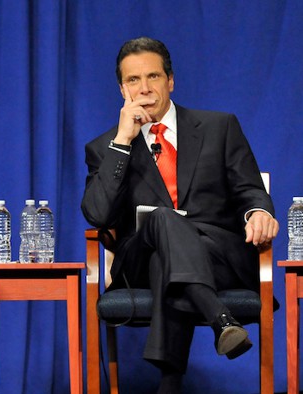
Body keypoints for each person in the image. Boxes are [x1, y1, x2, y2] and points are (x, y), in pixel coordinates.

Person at [81, 37, 278, 393]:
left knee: (166, 260)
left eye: (153, 77)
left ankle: (169, 381)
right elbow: (97, 214)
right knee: (161, 219)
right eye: (133, 80)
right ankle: (219, 318)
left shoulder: (219, 127)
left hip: (215, 255)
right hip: (137, 261)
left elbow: (249, 190)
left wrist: (258, 211)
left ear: (170, 80)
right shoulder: (105, 147)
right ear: (121, 88)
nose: (145, 89)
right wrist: (123, 141)